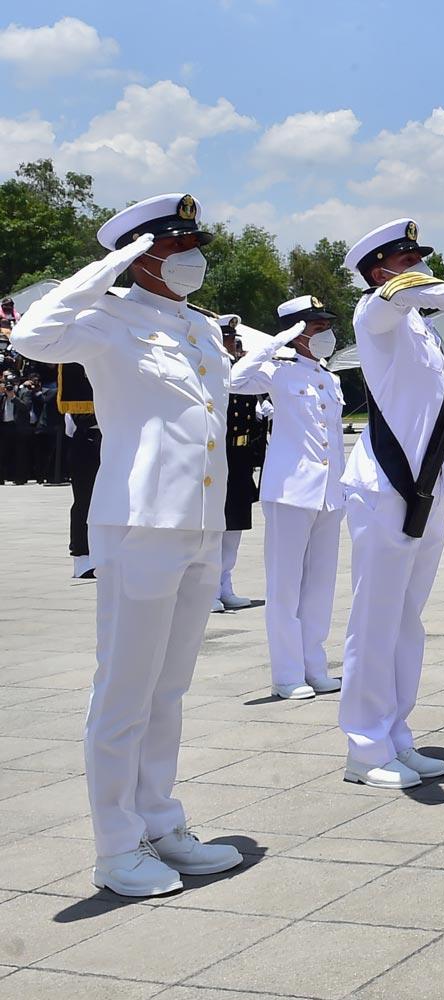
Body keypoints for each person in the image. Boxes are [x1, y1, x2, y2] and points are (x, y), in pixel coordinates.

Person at [12, 192, 243, 896]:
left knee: (167, 689)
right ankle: (116, 847)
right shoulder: (103, 319)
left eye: (192, 244)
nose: (191, 258)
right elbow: (31, 336)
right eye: (176, 246)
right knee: (124, 689)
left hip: (200, 519)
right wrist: (103, 268)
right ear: (140, 255)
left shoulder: (198, 327)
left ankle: (159, 821)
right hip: (139, 521)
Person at [338, 218, 444, 788]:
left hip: (425, 485)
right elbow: (405, 293)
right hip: (386, 483)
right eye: (407, 260)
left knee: (405, 622)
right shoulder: (376, 312)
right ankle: (364, 746)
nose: (417, 267)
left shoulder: (420, 330)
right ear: (380, 270)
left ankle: (395, 734)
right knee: (375, 619)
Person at [228, 295, 345, 700]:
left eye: (326, 325)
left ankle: (315, 666)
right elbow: (234, 379)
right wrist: (276, 342)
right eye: (316, 327)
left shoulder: (332, 378)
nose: (325, 333)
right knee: (285, 587)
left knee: (320, 587)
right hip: (291, 491)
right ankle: (287, 675)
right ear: (296, 332)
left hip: (329, 493)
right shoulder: (275, 371)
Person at [215, 315, 263, 612]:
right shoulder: (206, 372)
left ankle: (225, 584)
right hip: (214, 455)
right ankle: (206, 588)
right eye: (228, 338)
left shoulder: (239, 372)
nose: (234, 344)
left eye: (234, 339)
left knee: (234, 525)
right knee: (212, 527)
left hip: (240, 456)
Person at [58, 361, 101, 577]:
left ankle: (105, 553)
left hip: (112, 440)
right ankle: (82, 556)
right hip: (88, 441)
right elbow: (70, 427)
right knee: (85, 499)